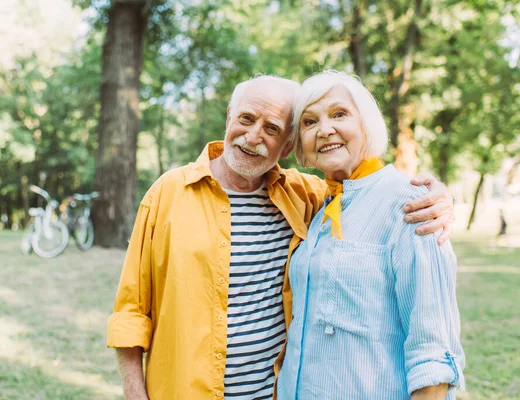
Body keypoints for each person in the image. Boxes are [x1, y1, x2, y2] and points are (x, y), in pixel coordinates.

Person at [107, 75, 455, 400]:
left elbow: (366, 190)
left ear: (288, 145)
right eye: (246, 118)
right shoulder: (167, 194)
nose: (254, 136)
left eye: (272, 128)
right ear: (229, 117)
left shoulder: (306, 197)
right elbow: (131, 311)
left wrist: (434, 196)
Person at [276, 71, 465, 400]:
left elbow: (432, 351)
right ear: (300, 144)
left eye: (339, 114)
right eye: (309, 122)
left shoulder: (410, 203)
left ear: (367, 124)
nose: (325, 130)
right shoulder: (320, 211)